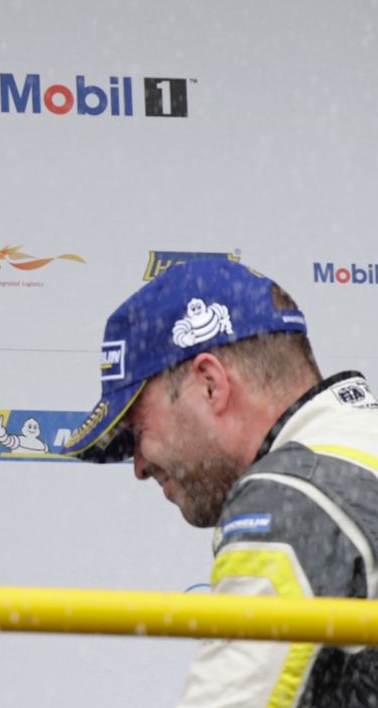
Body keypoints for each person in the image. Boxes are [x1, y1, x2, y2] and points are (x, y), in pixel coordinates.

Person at [61, 259, 378, 706]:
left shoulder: (291, 497)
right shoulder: (354, 453)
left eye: (136, 430)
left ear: (210, 384)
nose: (138, 466)